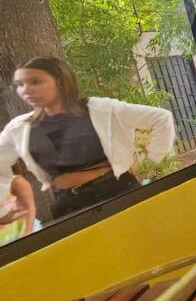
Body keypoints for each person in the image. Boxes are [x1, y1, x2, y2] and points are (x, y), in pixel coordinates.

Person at [0, 57, 175, 219]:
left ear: (61, 82)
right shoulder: (20, 127)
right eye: (19, 84)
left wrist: (153, 156)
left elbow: (161, 118)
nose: (26, 90)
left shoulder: (99, 109)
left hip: (117, 192)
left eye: (35, 82)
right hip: (68, 206)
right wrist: (4, 207)